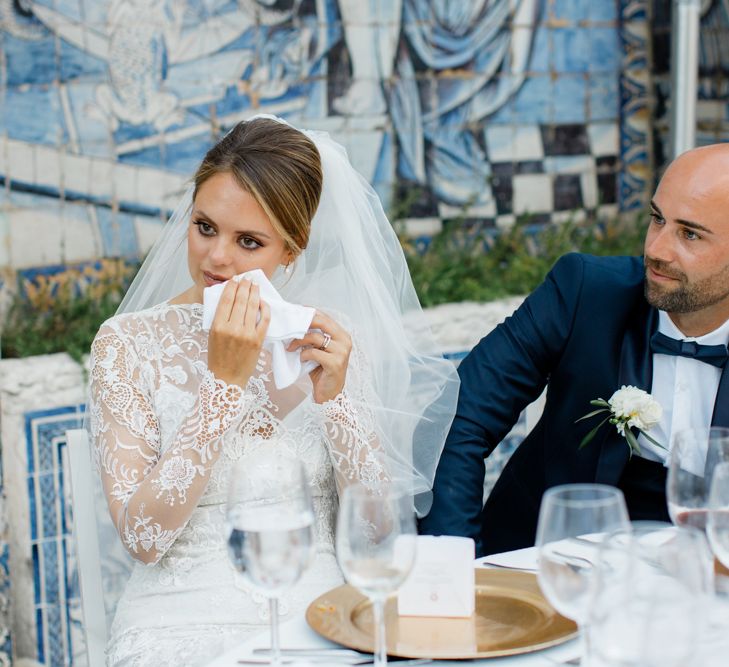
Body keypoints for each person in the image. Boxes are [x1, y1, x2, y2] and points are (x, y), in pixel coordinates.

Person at [88, 115, 459, 666]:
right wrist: (223, 385)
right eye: (205, 227)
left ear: (291, 248)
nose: (216, 258)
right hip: (177, 623)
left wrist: (337, 404)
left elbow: (378, 534)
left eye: (249, 241)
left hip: (322, 617)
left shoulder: (323, 339)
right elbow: (143, 537)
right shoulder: (126, 345)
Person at [420, 143, 729, 557]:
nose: (656, 249)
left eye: (689, 234)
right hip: (549, 562)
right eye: (657, 219)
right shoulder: (583, 291)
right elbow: (458, 420)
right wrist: (453, 564)